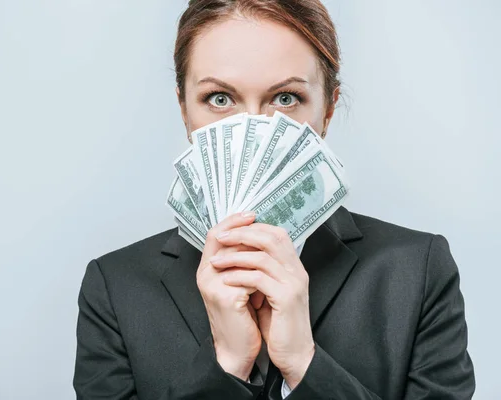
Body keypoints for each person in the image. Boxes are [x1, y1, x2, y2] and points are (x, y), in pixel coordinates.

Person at [73, 0, 476, 399]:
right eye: (219, 98)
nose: (253, 128)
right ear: (184, 110)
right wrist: (228, 363)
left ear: (328, 112)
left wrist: (303, 363)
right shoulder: (115, 287)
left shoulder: (417, 270)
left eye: (285, 98)